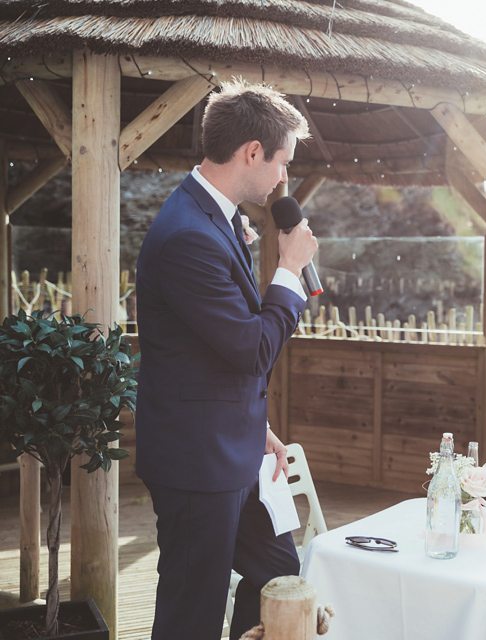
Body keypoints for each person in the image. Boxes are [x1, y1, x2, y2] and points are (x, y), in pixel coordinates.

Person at [135, 79, 318, 640]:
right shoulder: (187, 234)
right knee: (192, 611)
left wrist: (253, 424)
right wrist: (288, 271)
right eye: (282, 162)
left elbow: (211, 349)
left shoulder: (214, 216)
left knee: (279, 575)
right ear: (252, 153)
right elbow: (250, 347)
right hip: (197, 465)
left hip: (234, 449)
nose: (284, 178)